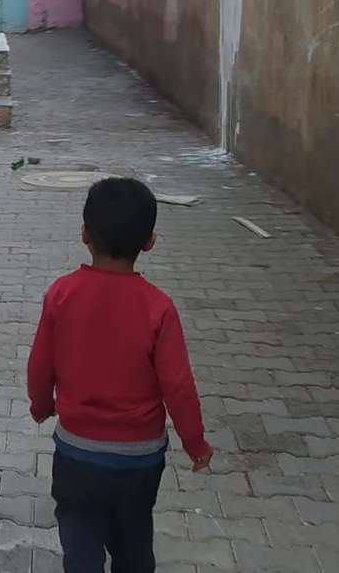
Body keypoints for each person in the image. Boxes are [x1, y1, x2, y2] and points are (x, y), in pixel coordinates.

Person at [27, 177, 213, 573]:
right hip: (139, 458)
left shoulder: (62, 294)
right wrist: (195, 443)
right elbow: (178, 386)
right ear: (149, 242)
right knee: (133, 536)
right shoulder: (159, 308)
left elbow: (41, 363)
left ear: (84, 233)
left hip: (77, 451)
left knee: (80, 533)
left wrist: (41, 406)